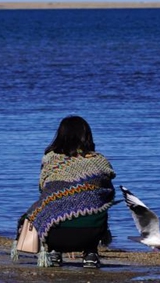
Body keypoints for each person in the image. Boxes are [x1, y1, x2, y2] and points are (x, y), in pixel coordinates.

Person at [22, 115, 116, 269]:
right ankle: (90, 253)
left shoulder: (50, 160)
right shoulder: (100, 161)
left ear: (60, 135)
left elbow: (43, 189)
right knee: (99, 202)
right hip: (90, 233)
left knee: (51, 202)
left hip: (54, 233)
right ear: (87, 136)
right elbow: (109, 193)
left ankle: (54, 251)